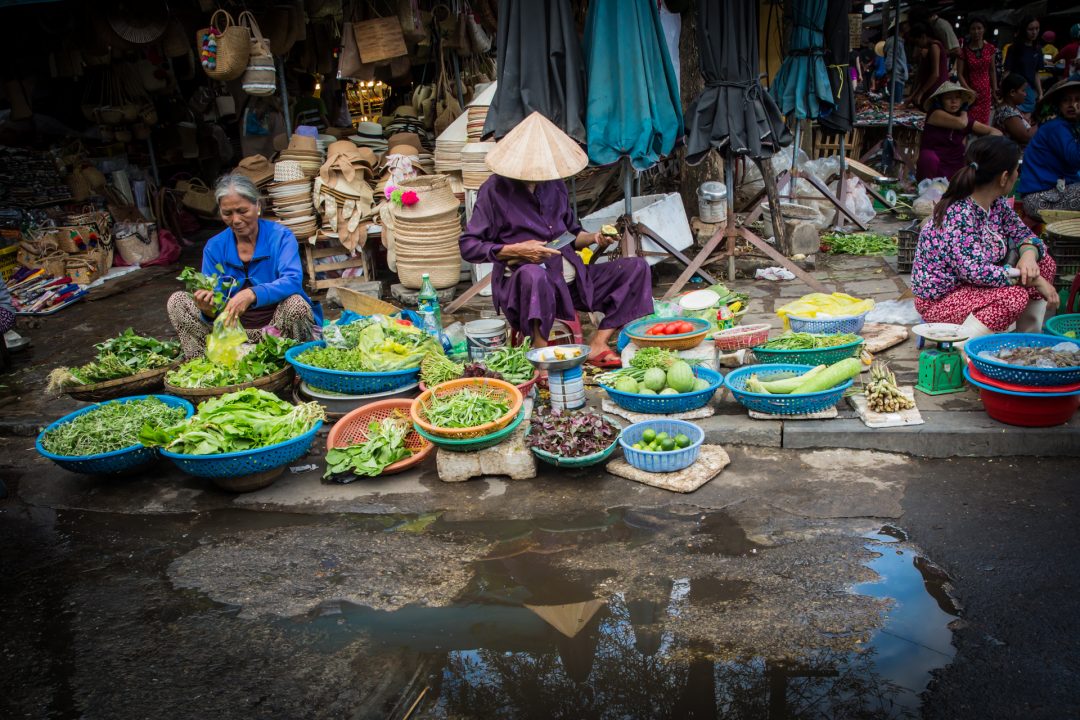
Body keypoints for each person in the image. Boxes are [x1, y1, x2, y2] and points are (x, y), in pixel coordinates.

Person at [459, 112, 652, 369]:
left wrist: (595, 238)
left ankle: (599, 343)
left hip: (570, 284)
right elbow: (469, 246)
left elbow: (570, 235)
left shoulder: (554, 185)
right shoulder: (494, 190)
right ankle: (543, 358)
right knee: (533, 275)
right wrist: (515, 250)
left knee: (636, 268)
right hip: (523, 289)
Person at [912, 136, 1058, 344]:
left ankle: (1027, 340)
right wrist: (1034, 280)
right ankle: (966, 348)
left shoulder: (996, 204)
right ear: (1004, 177)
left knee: (1044, 264)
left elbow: (1026, 235)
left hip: (975, 287)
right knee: (1014, 297)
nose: (1018, 175)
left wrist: (1028, 255)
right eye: (1017, 170)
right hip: (941, 300)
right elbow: (975, 271)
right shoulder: (959, 214)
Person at [167, 173, 319, 359]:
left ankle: (296, 363)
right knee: (177, 302)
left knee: (297, 304)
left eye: (242, 211)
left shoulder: (281, 237)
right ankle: (202, 364)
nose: (236, 220)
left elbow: (293, 280)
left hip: (276, 330)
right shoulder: (215, 247)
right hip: (232, 333)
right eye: (227, 213)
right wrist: (207, 309)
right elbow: (214, 298)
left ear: (258, 207)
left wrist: (252, 293)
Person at [1017, 79, 1080, 222]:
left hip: (1055, 192)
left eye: (1077, 100)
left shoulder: (1069, 127)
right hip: (1040, 199)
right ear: (1059, 104)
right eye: (1066, 100)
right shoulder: (1056, 127)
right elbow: (1076, 159)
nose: (1072, 105)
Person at [917, 81, 1001, 181]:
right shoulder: (935, 114)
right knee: (928, 157)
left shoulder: (963, 118)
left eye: (957, 97)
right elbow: (961, 124)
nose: (954, 101)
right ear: (940, 100)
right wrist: (965, 109)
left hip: (955, 164)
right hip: (934, 164)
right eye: (948, 98)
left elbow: (996, 133)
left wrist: (979, 148)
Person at [956, 18, 998, 126]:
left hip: (985, 93)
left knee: (983, 125)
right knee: (969, 124)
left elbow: (992, 70)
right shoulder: (964, 51)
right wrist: (969, 90)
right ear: (969, 31)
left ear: (984, 30)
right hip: (970, 93)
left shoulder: (990, 48)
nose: (976, 32)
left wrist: (994, 89)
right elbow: (959, 74)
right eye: (973, 29)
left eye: (979, 28)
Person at [1004, 16, 1045, 113]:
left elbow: (1036, 74)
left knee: (1027, 119)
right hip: (1014, 91)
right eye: (1030, 29)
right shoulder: (1013, 48)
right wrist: (1003, 91)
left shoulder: (1038, 49)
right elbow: (1007, 72)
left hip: (1029, 92)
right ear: (1024, 30)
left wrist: (1040, 93)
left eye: (1037, 29)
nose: (1034, 32)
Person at [908, 24, 950, 108]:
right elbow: (925, 77)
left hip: (936, 89)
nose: (918, 46)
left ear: (923, 36)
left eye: (917, 42)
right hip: (932, 88)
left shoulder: (934, 47)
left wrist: (921, 92)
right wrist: (913, 96)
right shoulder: (930, 48)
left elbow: (935, 74)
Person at [993, 74, 1038, 147]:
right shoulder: (1008, 113)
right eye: (1023, 91)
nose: (1025, 94)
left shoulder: (1011, 108)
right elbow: (1026, 137)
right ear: (1012, 92)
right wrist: (1043, 122)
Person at [883, 24, 909, 105]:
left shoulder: (897, 41)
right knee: (896, 103)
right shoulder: (895, 42)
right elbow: (890, 58)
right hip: (896, 75)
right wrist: (890, 70)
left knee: (896, 102)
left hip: (897, 75)